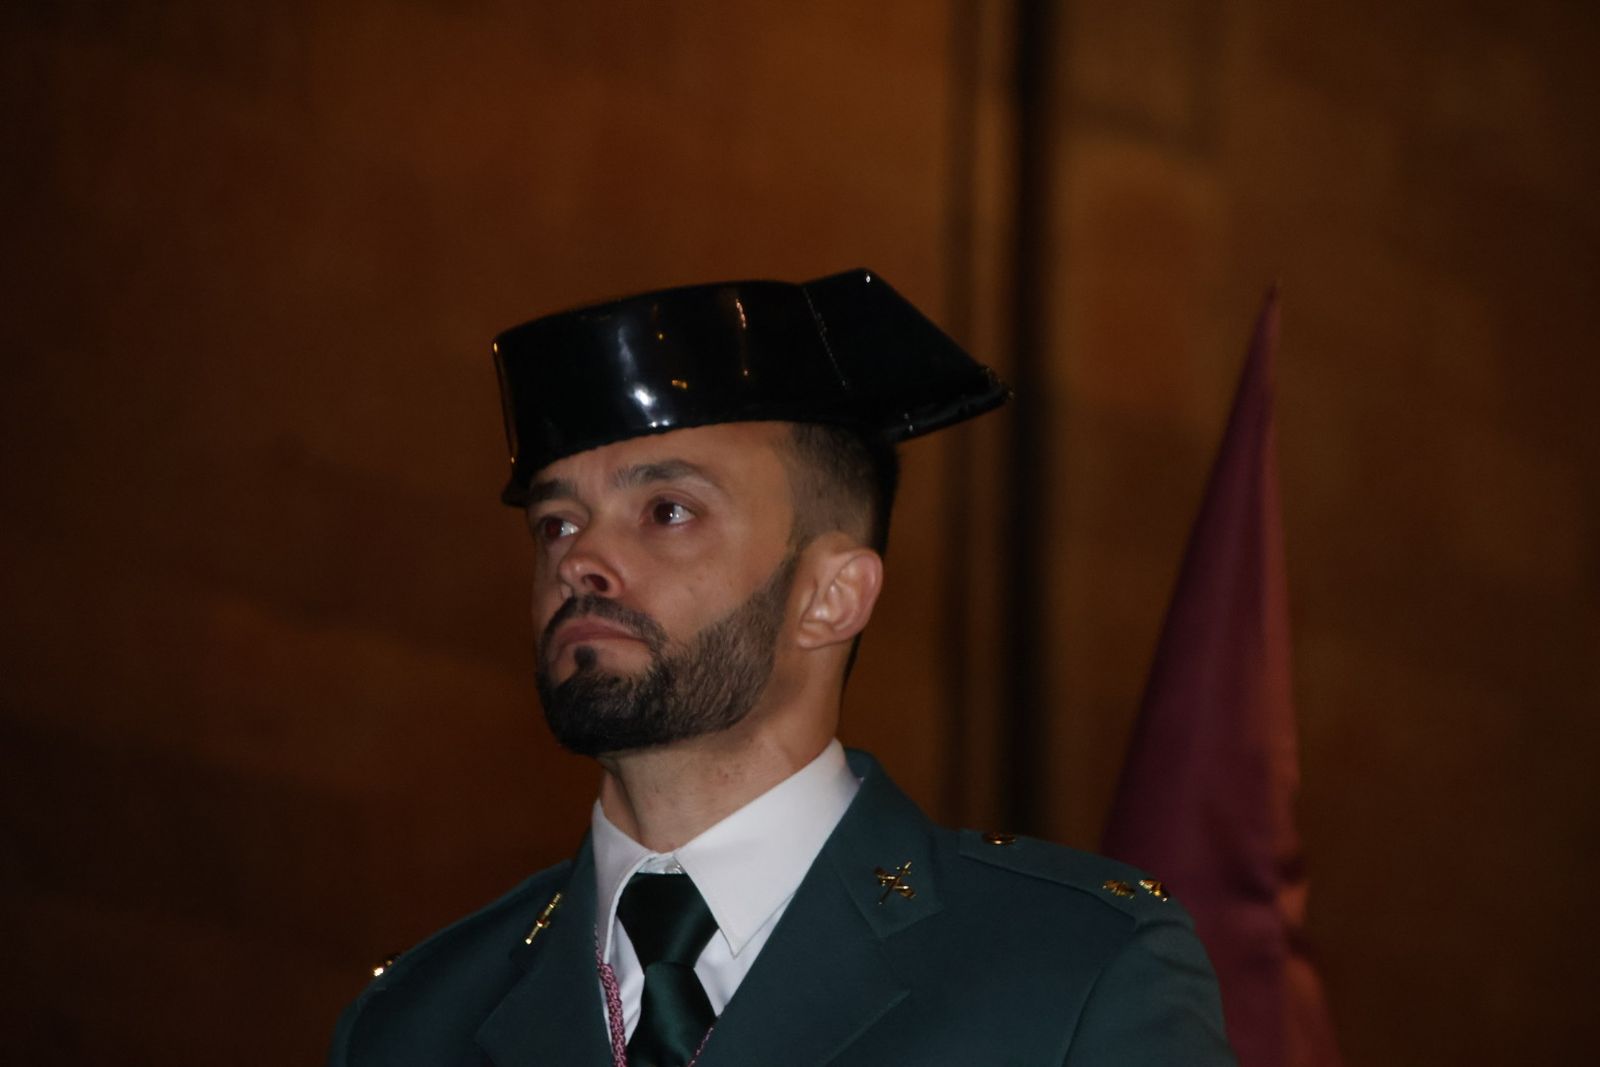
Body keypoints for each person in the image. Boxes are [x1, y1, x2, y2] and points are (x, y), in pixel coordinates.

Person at [328, 269, 1236, 1066]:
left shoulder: (1069, 968)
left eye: (667, 510)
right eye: (557, 523)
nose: (578, 559)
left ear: (830, 595)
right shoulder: (417, 1021)